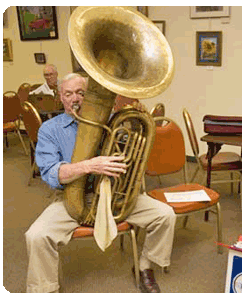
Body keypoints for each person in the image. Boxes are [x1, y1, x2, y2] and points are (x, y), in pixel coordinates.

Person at [25, 73, 176, 293]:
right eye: (69, 94)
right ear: (61, 97)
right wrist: (89, 166)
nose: (75, 99)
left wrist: (136, 125)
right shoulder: (50, 130)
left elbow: (131, 155)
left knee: (165, 215)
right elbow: (51, 174)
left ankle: (144, 267)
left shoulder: (112, 121)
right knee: (36, 236)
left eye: (81, 93)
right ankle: (45, 289)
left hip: (113, 195)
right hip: (71, 198)